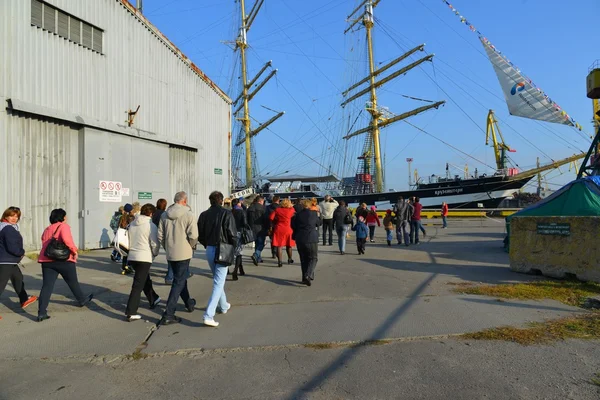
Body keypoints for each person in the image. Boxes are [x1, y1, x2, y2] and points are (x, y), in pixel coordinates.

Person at [37, 209, 93, 322]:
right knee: (72, 282)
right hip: (63, 260)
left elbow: (43, 241)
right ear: (62, 217)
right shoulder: (64, 226)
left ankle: (41, 312)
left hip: (47, 260)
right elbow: (67, 240)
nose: (66, 218)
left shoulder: (47, 229)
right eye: (65, 216)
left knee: (47, 286)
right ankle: (82, 300)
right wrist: (74, 251)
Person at [158, 191, 198, 326]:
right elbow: (194, 235)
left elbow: (160, 236)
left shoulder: (164, 215)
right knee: (178, 281)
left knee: (180, 278)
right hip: (184, 252)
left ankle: (189, 303)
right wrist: (190, 246)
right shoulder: (188, 214)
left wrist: (167, 247)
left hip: (171, 252)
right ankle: (168, 313)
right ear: (184, 201)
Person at [197, 191, 237, 327]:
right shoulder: (227, 213)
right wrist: (234, 248)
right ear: (221, 201)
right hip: (223, 248)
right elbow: (232, 233)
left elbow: (200, 234)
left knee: (217, 280)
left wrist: (207, 244)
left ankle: (224, 305)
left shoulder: (203, 215)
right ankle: (209, 315)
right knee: (218, 282)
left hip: (209, 248)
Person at [124, 203, 161, 322]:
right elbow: (154, 243)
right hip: (144, 256)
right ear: (151, 213)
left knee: (144, 279)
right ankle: (131, 312)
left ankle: (153, 298)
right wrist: (154, 253)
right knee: (137, 285)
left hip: (133, 256)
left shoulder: (132, 224)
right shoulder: (151, 226)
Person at [0, 207, 38, 318]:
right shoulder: (8, 229)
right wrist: (21, 252)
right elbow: (13, 247)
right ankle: (24, 299)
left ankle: (24, 299)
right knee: (1, 285)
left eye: (17, 216)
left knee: (18, 279)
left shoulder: (4, 227)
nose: (14, 218)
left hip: (9, 261)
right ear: (6, 216)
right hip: (5, 261)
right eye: (12, 215)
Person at [291, 199, 321, 286]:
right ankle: (308, 275)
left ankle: (304, 277)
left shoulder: (296, 215)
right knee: (313, 258)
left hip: (300, 238)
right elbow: (319, 223)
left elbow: (293, 226)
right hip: (311, 238)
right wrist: (319, 215)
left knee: (303, 259)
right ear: (309, 205)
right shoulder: (314, 214)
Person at [269, 198, 296, 267]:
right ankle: (290, 259)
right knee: (289, 245)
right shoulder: (291, 210)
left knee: (279, 246)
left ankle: (280, 261)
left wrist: (277, 219)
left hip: (279, 228)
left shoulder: (277, 210)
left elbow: (271, 217)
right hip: (288, 229)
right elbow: (294, 214)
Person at [231, 198, 247, 281]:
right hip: (239, 233)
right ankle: (235, 271)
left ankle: (241, 269)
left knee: (234, 251)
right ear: (238, 204)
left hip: (231, 233)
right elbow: (244, 223)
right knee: (239, 253)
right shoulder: (241, 211)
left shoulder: (230, 212)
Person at [247, 196, 266, 265]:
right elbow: (265, 219)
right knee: (261, 243)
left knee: (256, 242)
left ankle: (258, 258)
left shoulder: (250, 208)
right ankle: (256, 254)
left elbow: (247, 218)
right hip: (261, 228)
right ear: (261, 201)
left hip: (252, 228)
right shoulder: (263, 208)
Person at [119, 203, 135, 275]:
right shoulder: (131, 218)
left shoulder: (121, 217)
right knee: (130, 254)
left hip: (122, 238)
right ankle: (128, 267)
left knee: (125, 254)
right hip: (129, 237)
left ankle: (124, 267)